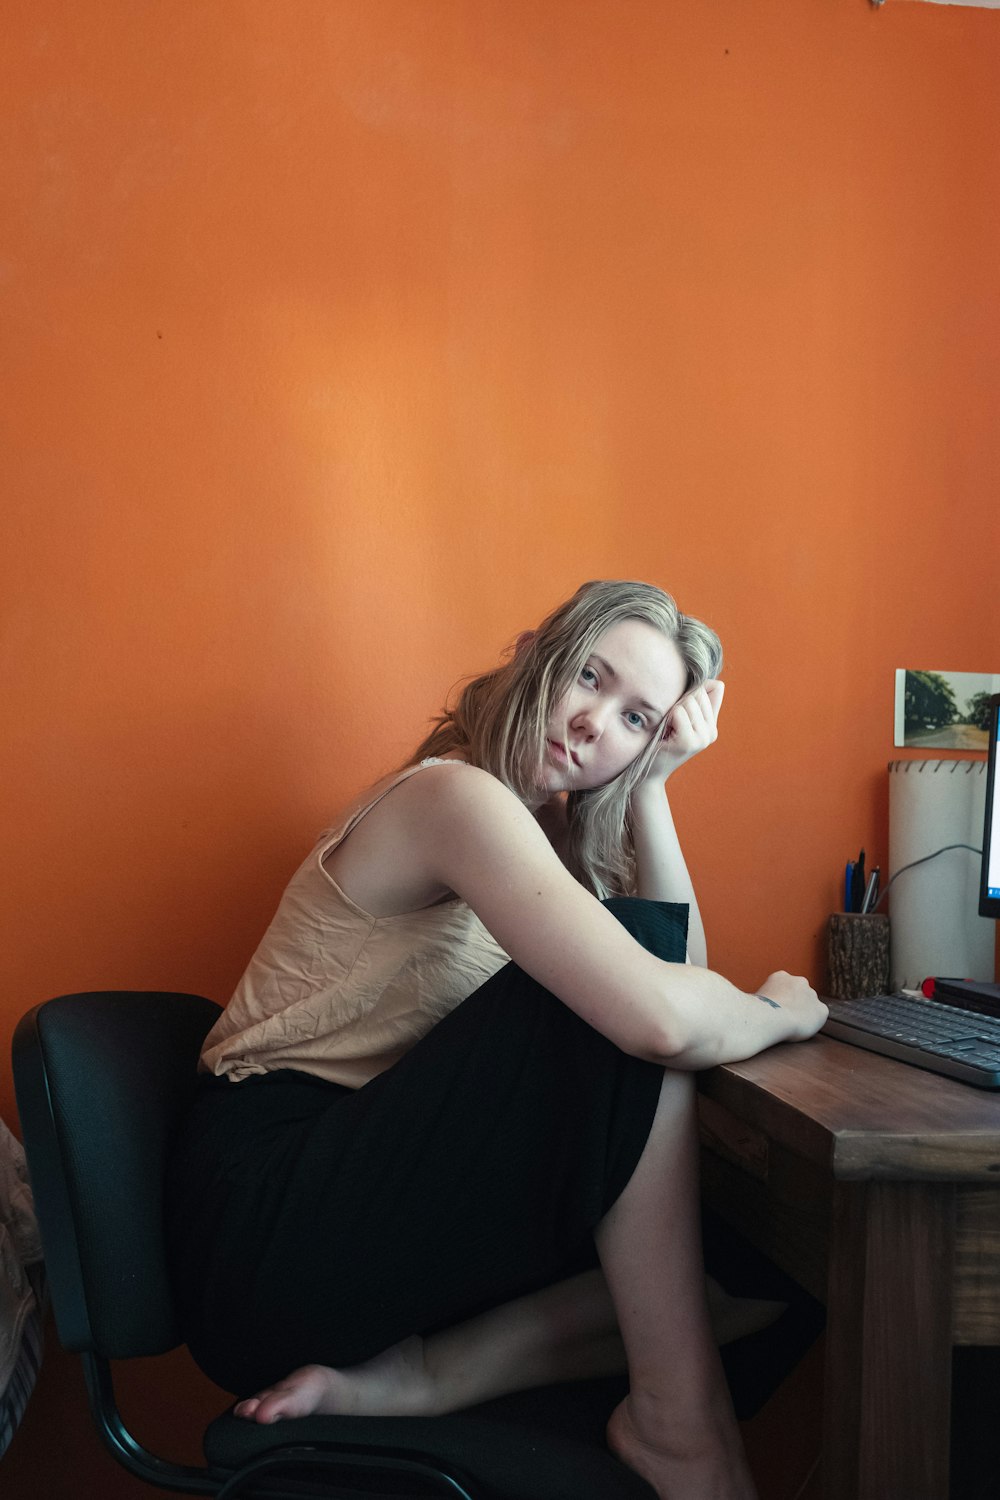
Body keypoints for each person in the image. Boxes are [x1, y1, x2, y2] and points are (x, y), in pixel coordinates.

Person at [167, 579, 827, 1500]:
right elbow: (667, 1014)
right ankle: (681, 1423)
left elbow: (676, 981)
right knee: (630, 1006)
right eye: (589, 677)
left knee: (773, 1267)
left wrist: (655, 787)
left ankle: (425, 1377)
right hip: (271, 1223)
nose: (597, 722)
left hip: (382, 1208)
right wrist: (785, 1011)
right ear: (533, 656)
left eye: (637, 718)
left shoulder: (545, 844)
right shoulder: (454, 800)